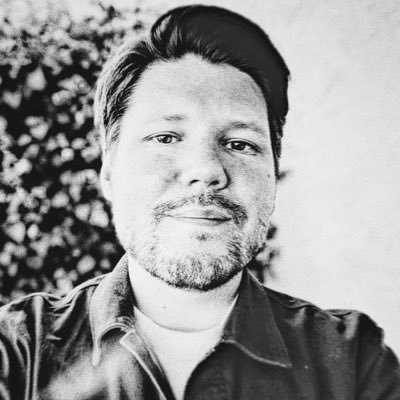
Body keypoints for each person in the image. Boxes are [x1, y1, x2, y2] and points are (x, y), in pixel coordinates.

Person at [0, 4, 399, 400]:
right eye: (165, 137)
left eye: (239, 144)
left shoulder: (353, 362)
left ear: (273, 178)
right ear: (108, 173)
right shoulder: (17, 353)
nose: (207, 170)